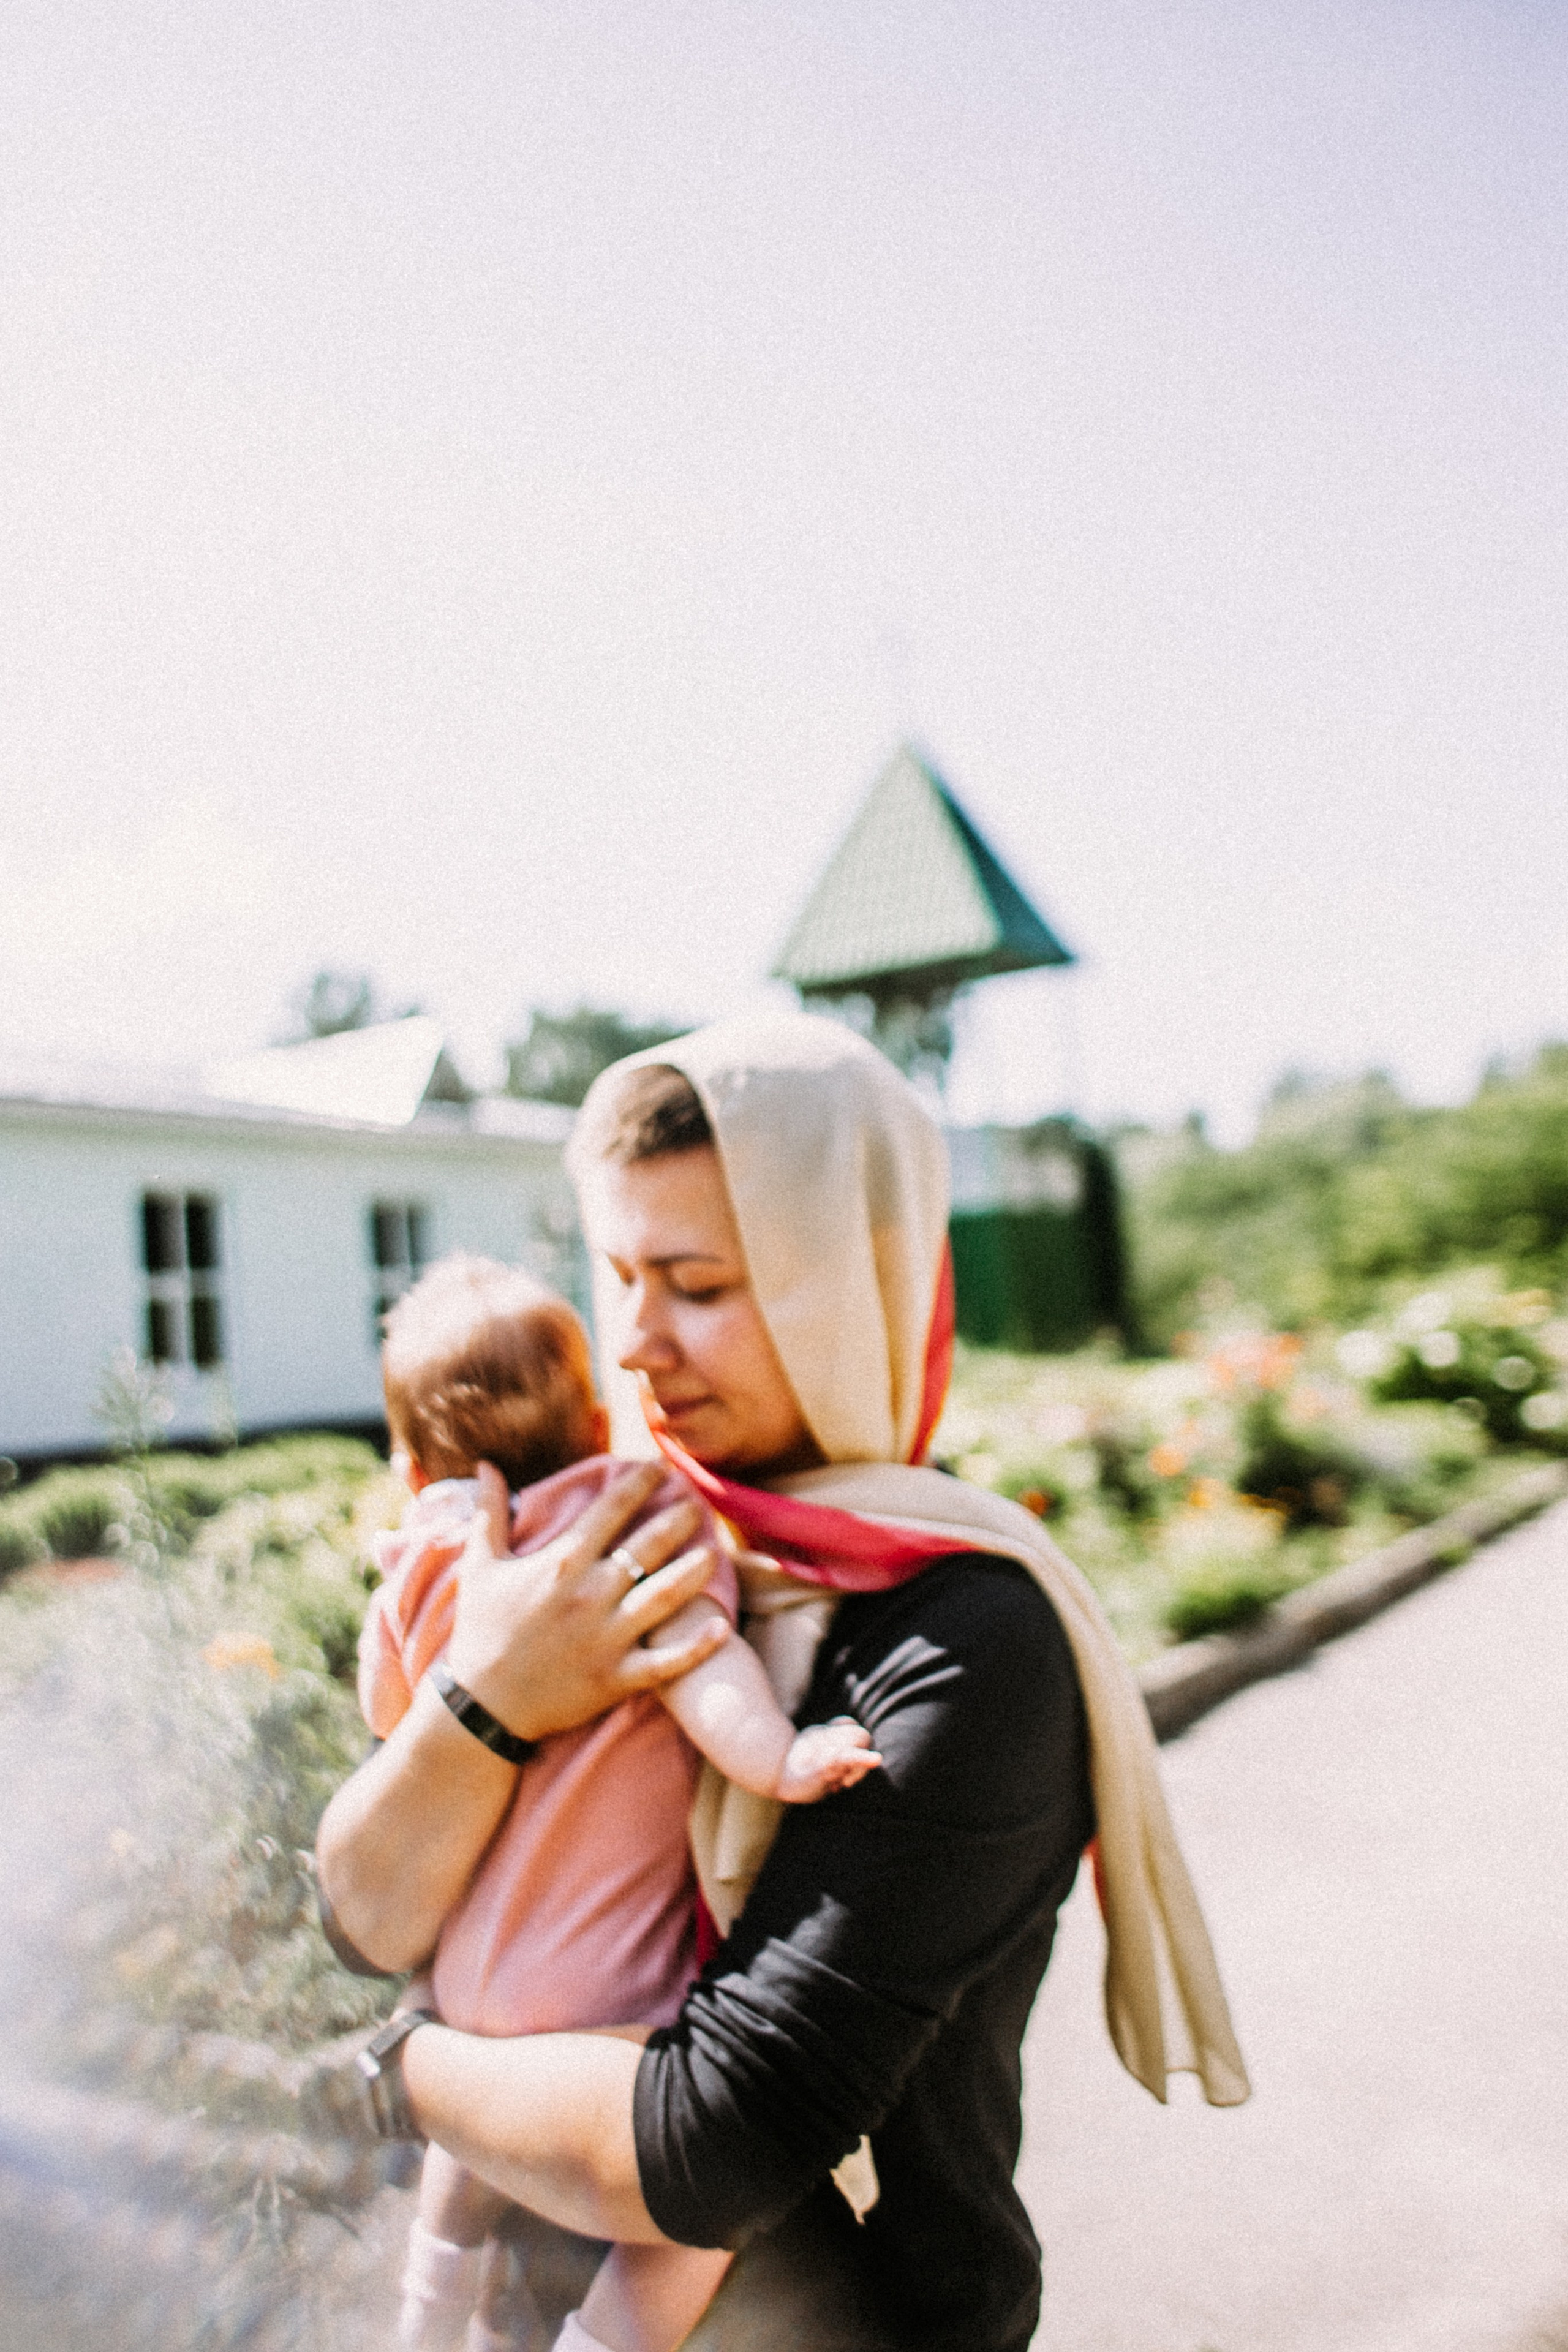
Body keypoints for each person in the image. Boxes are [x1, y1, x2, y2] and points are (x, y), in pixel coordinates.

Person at [319, 1013, 1249, 2352]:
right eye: (620, 1275)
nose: (633, 1343)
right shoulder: (610, 1553)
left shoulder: (968, 1641)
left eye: (695, 1285)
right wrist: (487, 1700)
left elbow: (712, 2144)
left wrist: (399, 2071)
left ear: (846, 1286)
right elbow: (363, 1914)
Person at [358, 1251, 880, 2352]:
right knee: (703, 2210)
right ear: (598, 1422)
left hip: (471, 1989)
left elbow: (391, 1714)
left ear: (411, 1469)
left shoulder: (420, 1562)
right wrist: (778, 1758)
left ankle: (422, 2321)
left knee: (467, 2156)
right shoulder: (640, 1527)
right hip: (605, 2002)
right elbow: (703, 1661)